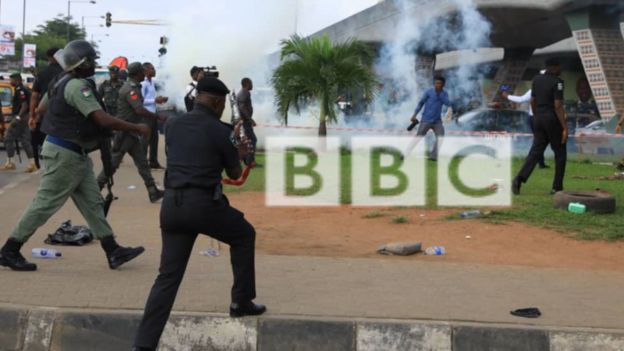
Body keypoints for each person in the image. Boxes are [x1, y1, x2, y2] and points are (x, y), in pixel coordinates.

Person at [132, 77, 265, 351]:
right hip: (203, 205)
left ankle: (142, 346)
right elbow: (235, 174)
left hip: (172, 206)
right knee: (244, 235)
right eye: (221, 104)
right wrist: (240, 152)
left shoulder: (173, 125)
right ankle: (241, 302)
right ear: (217, 102)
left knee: (167, 278)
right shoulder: (221, 130)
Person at [0, 40, 147, 271]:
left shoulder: (61, 82)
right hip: (65, 155)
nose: (94, 64)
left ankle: (113, 250)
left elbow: (41, 109)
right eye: (92, 61)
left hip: (73, 154)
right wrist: (136, 127)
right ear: (83, 63)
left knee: (92, 204)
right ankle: (10, 250)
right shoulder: (78, 87)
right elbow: (101, 119)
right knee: (44, 204)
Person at [96, 62, 165, 203]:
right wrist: (157, 116)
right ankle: (94, 191)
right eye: (142, 72)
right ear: (137, 74)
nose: (144, 74)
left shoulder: (134, 87)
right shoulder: (130, 89)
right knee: (112, 164)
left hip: (131, 131)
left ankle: (153, 192)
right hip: (125, 132)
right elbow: (139, 109)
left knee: (142, 163)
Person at [513, 58, 567, 195]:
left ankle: (519, 179)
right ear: (554, 67)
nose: (561, 69)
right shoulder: (558, 82)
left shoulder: (536, 80)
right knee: (560, 154)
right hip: (552, 120)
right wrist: (565, 127)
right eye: (560, 66)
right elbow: (558, 105)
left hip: (539, 119)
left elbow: (532, 101)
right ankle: (557, 187)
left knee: (535, 152)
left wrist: (537, 116)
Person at [29, 47, 63, 169]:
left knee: (46, 144)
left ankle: (48, 168)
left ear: (49, 58)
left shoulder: (42, 74)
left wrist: (32, 116)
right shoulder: (68, 73)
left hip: (45, 116)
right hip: (64, 116)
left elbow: (34, 97)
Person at [502, 86, 549, 169]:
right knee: (540, 140)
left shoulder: (536, 90)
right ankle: (534, 161)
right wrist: (508, 96)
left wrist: (507, 96)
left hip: (536, 118)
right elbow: (521, 99)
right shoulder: (540, 90)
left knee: (540, 140)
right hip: (537, 118)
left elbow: (521, 99)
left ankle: (536, 161)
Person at [0, 73, 36, 172]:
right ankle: (32, 164)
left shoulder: (20, 90)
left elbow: (24, 105)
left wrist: (18, 117)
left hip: (20, 117)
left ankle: (10, 163)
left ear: (17, 80)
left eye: (11, 80)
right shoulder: (21, 89)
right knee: (25, 141)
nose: (10, 82)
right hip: (25, 117)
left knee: (7, 138)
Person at [410, 76, 451, 161]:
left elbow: (448, 103)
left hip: (437, 121)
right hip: (426, 119)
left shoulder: (445, 93)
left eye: (439, 83)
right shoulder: (429, 92)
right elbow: (420, 103)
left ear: (443, 85)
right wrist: (414, 115)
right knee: (418, 137)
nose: (437, 85)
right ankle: (407, 152)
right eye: (436, 83)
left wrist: (441, 95)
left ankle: (433, 156)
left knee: (441, 136)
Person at [141, 62, 168, 169]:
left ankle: (153, 161)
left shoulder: (152, 82)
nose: (154, 70)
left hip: (153, 114)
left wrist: (159, 99)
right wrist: (154, 100)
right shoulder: (143, 84)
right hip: (146, 115)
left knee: (154, 139)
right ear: (145, 71)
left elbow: (151, 99)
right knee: (145, 140)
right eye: (152, 69)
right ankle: (142, 162)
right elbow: (141, 100)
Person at [236, 77, 258, 167]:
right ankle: (250, 162)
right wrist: (250, 119)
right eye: (251, 83)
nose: (252, 85)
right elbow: (242, 108)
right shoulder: (245, 93)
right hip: (245, 122)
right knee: (252, 140)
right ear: (247, 84)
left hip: (244, 121)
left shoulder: (243, 93)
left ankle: (248, 160)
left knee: (247, 140)